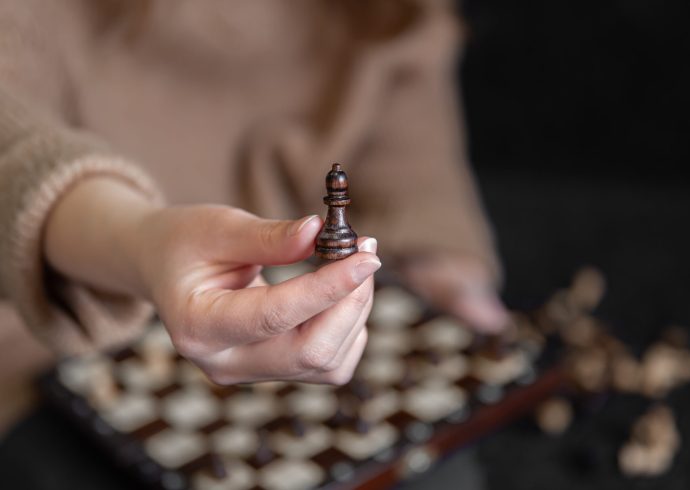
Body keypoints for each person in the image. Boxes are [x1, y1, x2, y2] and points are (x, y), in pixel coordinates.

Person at [0, 0, 506, 429]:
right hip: (51, 355)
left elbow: (398, 72)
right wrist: (139, 240)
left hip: (284, 325)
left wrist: (439, 262)